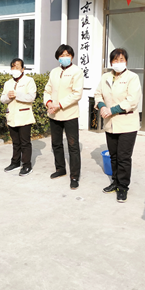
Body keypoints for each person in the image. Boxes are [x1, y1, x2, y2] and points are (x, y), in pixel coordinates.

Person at [94, 48, 141, 203]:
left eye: (121, 59)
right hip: (110, 123)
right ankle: (115, 182)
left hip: (127, 123)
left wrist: (111, 110)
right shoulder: (106, 77)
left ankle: (123, 187)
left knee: (123, 157)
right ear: (111, 62)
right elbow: (98, 94)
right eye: (115, 60)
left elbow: (132, 100)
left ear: (126, 61)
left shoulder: (132, 78)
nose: (118, 62)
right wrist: (102, 106)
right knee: (113, 156)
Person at [43, 44, 83, 190]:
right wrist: (48, 103)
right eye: (62, 55)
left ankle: (74, 176)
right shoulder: (54, 72)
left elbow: (77, 94)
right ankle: (60, 168)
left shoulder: (77, 71)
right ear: (58, 57)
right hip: (54, 113)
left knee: (73, 145)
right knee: (56, 143)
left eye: (67, 55)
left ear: (72, 56)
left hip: (69, 113)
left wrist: (59, 105)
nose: (64, 57)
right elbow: (47, 90)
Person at [0, 58, 37, 176]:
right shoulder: (8, 83)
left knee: (25, 142)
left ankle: (27, 165)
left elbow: (31, 97)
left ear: (22, 69)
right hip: (12, 116)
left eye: (17, 67)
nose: (14, 69)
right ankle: (15, 162)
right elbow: (2, 99)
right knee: (15, 142)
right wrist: (8, 96)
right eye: (13, 67)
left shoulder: (29, 81)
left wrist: (17, 94)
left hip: (24, 116)